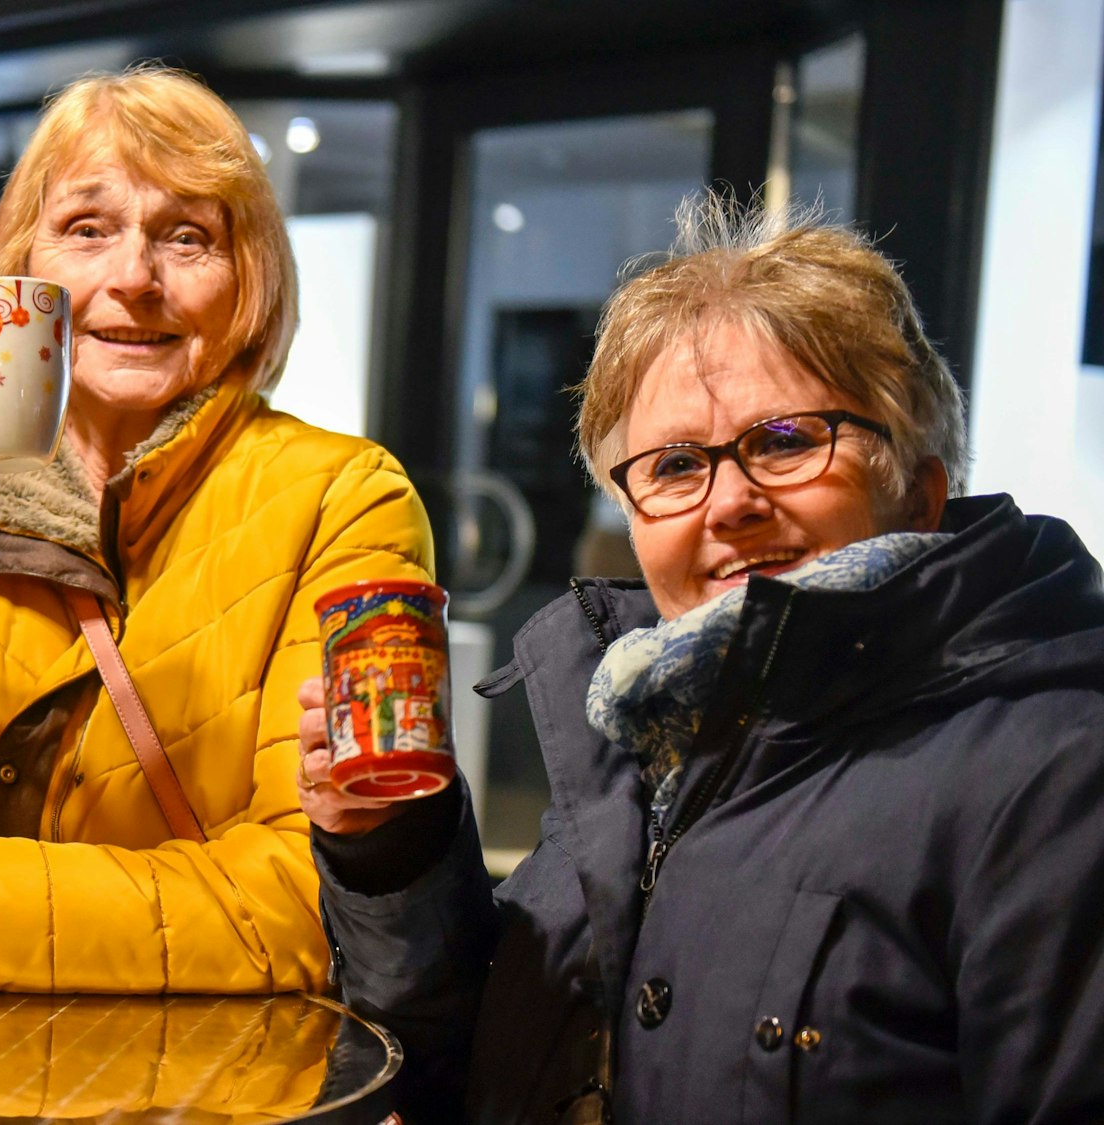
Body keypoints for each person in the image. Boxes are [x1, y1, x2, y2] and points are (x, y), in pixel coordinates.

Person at [302, 199, 1104, 1122]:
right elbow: (469, 1063)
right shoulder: (639, 726)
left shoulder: (1053, 768)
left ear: (919, 493)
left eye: (788, 441)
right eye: (676, 464)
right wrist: (392, 844)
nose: (729, 502)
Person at [0, 65, 435, 992]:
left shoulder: (342, 496)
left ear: (249, 279)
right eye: (87, 228)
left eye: (188, 237)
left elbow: (313, 899)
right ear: (22, 273)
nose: (133, 278)